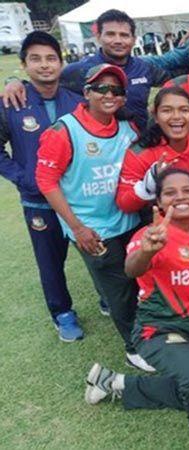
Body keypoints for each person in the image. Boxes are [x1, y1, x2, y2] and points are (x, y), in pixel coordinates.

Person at [84, 169, 189, 450]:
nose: (180, 197)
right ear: (159, 203)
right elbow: (132, 269)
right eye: (170, 192)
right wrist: (147, 251)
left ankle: (115, 383)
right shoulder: (150, 235)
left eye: (188, 190)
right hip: (158, 329)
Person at [35, 64, 154, 372]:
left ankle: (151, 334)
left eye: (116, 90)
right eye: (101, 88)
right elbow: (46, 181)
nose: (109, 94)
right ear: (86, 92)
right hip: (93, 229)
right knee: (119, 291)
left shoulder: (127, 127)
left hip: (129, 219)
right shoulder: (64, 131)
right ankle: (134, 348)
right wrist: (77, 227)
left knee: (140, 282)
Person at [0, 32, 84, 341]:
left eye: (51, 58)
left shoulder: (77, 101)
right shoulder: (10, 103)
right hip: (38, 201)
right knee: (50, 262)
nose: (45, 65)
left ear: (61, 63)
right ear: (24, 65)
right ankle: (62, 313)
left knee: (95, 250)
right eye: (35, 59)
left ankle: (107, 297)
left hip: (76, 198)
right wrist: (23, 177)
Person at [3, 9, 170, 131]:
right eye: (110, 34)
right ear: (98, 37)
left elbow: (172, 82)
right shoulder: (79, 70)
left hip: (139, 144)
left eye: (124, 35)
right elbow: (46, 82)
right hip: (98, 148)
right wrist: (15, 82)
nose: (118, 40)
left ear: (133, 39)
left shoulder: (144, 67)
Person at [117, 87, 189, 215]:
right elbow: (124, 204)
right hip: (158, 222)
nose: (176, 116)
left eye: (184, 110)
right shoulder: (140, 153)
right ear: (155, 117)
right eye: (167, 110)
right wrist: (148, 186)